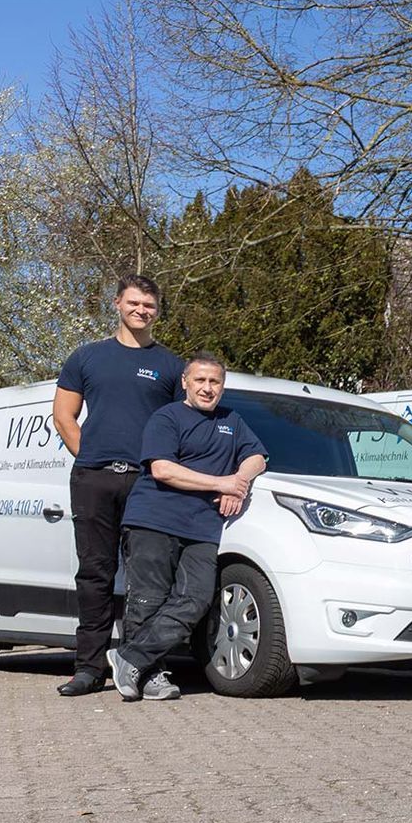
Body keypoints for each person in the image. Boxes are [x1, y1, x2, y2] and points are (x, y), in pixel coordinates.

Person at [51, 275, 186, 697]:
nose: (141, 310)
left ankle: (143, 668)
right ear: (117, 304)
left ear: (157, 311)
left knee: (148, 579)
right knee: (95, 574)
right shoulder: (86, 357)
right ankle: (89, 669)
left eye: (149, 305)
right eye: (134, 303)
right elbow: (63, 416)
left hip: (148, 484)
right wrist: (91, 456)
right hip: (93, 479)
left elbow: (181, 427)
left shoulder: (171, 366)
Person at [107, 352, 267, 702]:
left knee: (196, 599)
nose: (207, 388)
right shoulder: (167, 417)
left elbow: (257, 457)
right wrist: (221, 483)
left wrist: (239, 482)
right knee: (148, 600)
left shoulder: (232, 420)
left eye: (215, 382)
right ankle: (151, 676)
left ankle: (130, 657)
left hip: (203, 526)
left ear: (222, 386)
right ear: (185, 382)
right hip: (154, 519)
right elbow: (163, 469)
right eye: (200, 380)